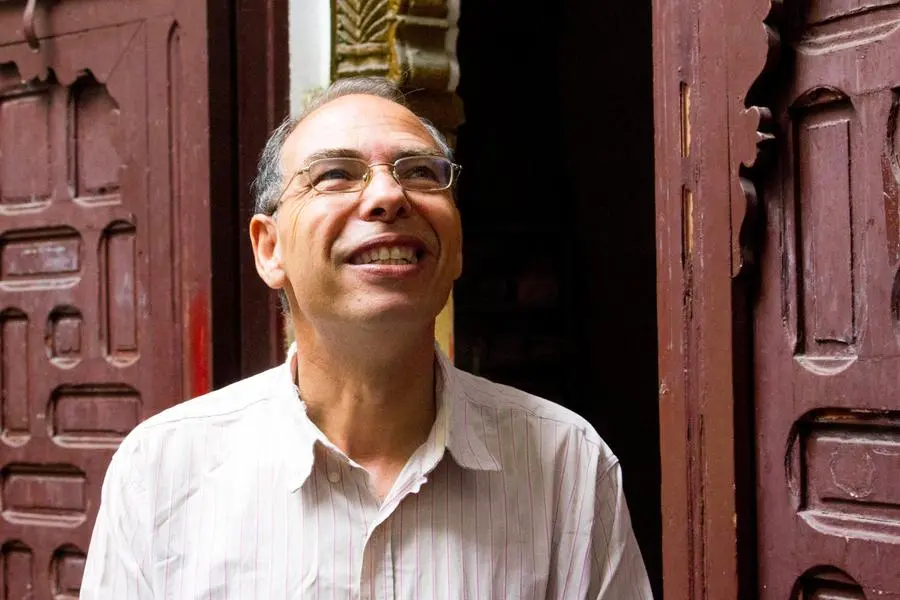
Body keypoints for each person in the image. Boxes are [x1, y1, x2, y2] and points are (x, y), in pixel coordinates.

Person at [80, 76, 652, 599]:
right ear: (269, 248)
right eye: (335, 174)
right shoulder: (161, 471)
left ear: (455, 248)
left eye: (420, 172)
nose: (389, 196)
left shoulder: (565, 463)